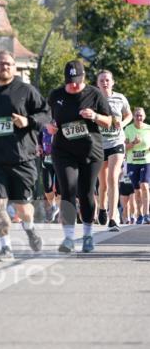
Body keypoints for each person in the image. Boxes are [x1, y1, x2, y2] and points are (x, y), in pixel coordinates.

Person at [0, 50, 49, 262]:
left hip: (23, 158)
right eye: (0, 63)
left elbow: (46, 115)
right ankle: (6, 248)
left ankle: (30, 229)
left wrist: (27, 121)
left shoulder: (26, 90)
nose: (4, 67)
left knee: (23, 209)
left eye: (8, 64)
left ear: (14, 67)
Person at [47, 60, 112, 254]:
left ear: (83, 77)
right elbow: (46, 117)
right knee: (67, 190)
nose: (73, 85)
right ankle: (68, 238)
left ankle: (88, 235)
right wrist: (49, 126)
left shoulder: (94, 94)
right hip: (63, 150)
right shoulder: (56, 95)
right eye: (69, 81)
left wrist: (94, 116)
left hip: (90, 151)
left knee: (86, 192)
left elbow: (109, 122)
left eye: (76, 80)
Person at [95, 70, 132, 230]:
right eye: (102, 80)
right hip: (99, 144)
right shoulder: (93, 99)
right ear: (97, 83)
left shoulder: (120, 98)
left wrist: (122, 124)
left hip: (116, 142)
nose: (105, 83)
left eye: (107, 80)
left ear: (113, 82)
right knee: (102, 183)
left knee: (112, 178)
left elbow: (129, 114)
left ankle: (113, 217)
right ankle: (102, 207)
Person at [124, 107, 150, 223]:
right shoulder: (128, 129)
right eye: (136, 115)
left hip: (146, 161)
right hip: (132, 163)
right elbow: (123, 148)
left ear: (144, 117)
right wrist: (133, 143)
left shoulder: (149, 129)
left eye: (141, 115)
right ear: (133, 117)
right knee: (137, 190)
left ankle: (147, 214)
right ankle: (139, 214)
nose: (139, 117)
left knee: (144, 186)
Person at [38, 125, 61, 223]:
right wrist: (38, 145)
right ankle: (53, 206)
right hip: (47, 157)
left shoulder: (60, 116)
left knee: (60, 189)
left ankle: (61, 212)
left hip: (61, 158)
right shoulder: (44, 117)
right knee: (47, 186)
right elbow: (38, 134)